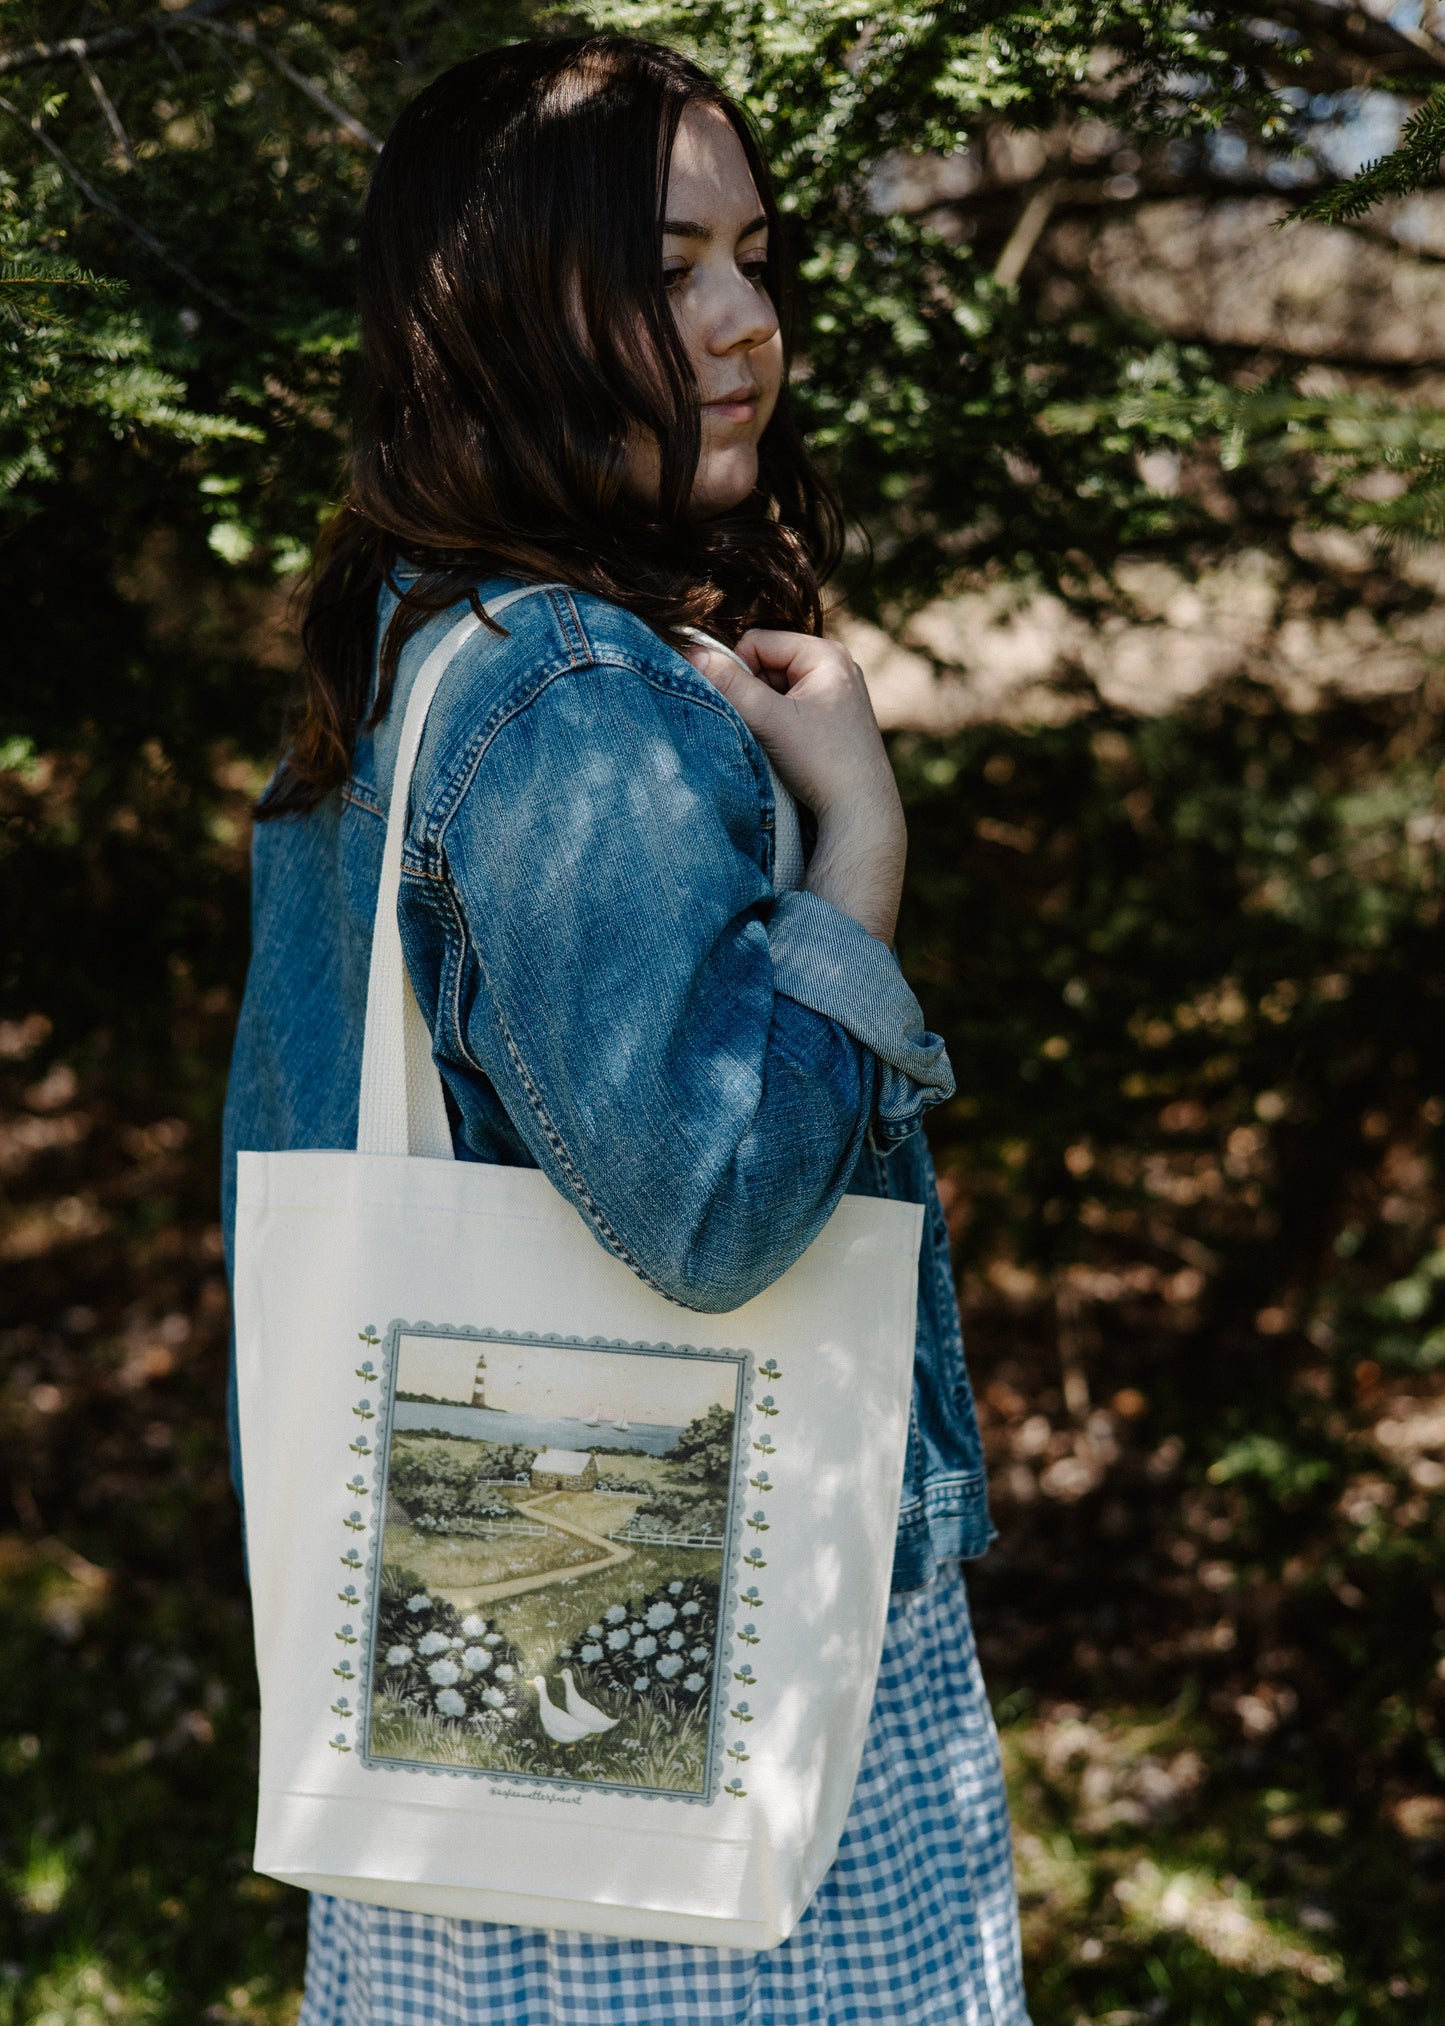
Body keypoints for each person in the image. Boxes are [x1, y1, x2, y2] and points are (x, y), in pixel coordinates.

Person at [222, 33, 1030, 2026]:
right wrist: (860, 832)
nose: (747, 321)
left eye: (753, 256)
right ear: (503, 308)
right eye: (670, 268)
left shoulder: (429, 638)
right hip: (712, 1612)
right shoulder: (571, 695)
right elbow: (723, 1206)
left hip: (483, 1640)